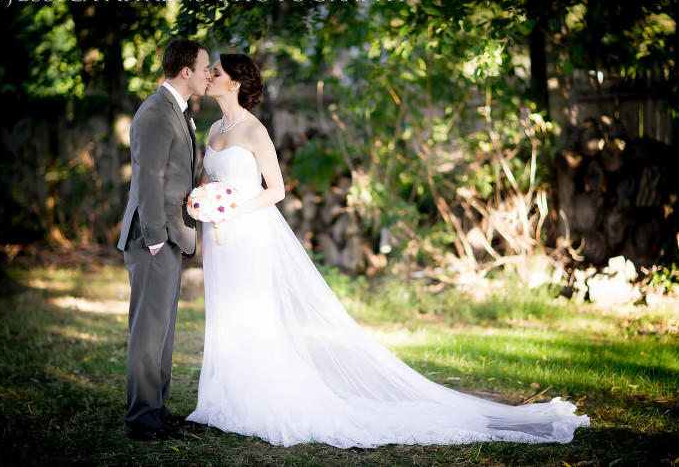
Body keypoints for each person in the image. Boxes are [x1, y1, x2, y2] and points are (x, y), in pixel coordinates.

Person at [187, 54, 590, 448]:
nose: (209, 77)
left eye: (216, 72)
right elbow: (209, 181)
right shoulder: (214, 129)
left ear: (235, 83)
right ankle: (228, 398)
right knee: (225, 312)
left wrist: (233, 208)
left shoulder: (255, 131)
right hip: (222, 238)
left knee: (254, 313)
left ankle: (262, 400)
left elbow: (275, 190)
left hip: (251, 234)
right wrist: (206, 204)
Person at [117, 39, 211, 441]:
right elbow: (147, 180)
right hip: (153, 238)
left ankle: (156, 409)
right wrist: (156, 239)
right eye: (206, 68)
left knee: (163, 331)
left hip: (172, 236)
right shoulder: (156, 112)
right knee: (148, 331)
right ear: (185, 71)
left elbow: (174, 176)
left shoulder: (178, 111)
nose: (210, 75)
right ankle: (141, 420)